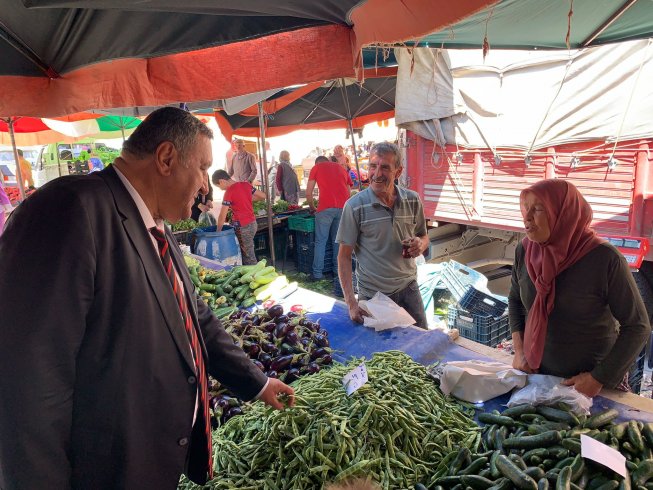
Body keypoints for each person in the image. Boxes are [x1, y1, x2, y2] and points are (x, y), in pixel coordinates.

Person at [0, 107, 294, 489]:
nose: (206, 185)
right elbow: (26, 378)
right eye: (203, 168)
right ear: (167, 158)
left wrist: (257, 383)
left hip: (146, 464)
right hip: (101, 472)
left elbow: (193, 316)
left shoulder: (154, 223)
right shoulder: (70, 209)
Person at [509, 179, 650, 397]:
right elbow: (515, 300)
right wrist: (519, 352)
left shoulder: (604, 259)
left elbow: (638, 326)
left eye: (537, 209)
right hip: (539, 376)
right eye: (525, 208)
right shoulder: (525, 250)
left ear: (562, 213)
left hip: (590, 384)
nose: (526, 217)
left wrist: (598, 378)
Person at [336, 142, 429, 329]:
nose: (377, 174)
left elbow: (424, 236)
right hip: (373, 295)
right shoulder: (355, 206)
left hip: (409, 288)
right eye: (373, 166)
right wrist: (351, 304)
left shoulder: (412, 199)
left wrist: (420, 244)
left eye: (385, 167)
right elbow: (343, 257)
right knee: (381, 354)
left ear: (398, 171)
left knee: (422, 346)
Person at [306, 155, 352, 284]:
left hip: (325, 208)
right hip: (342, 208)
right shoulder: (342, 169)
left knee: (320, 241)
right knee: (337, 241)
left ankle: (317, 275)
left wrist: (312, 207)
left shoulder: (316, 168)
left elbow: (308, 193)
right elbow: (349, 192)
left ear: (317, 162)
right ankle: (337, 273)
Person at [212, 169, 266, 265]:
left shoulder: (229, 192)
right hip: (253, 224)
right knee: (248, 251)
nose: (220, 189)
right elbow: (262, 196)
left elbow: (222, 215)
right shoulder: (246, 185)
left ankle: (254, 275)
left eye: (219, 186)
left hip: (243, 227)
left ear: (221, 181)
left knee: (248, 255)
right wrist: (245, 199)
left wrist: (218, 232)